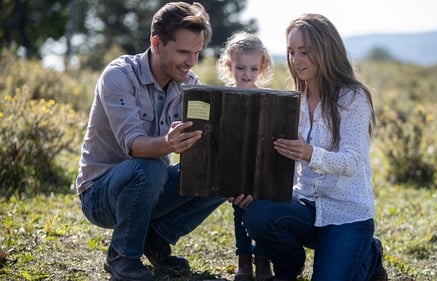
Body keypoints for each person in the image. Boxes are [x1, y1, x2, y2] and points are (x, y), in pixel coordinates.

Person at [74, 2, 227, 281]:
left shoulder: (188, 83)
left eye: (197, 52)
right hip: (99, 195)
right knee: (150, 167)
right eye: (183, 52)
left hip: (149, 188)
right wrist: (169, 144)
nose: (191, 62)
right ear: (156, 43)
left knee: (221, 169)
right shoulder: (119, 76)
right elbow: (134, 146)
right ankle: (122, 257)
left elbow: (207, 143)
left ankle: (155, 239)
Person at [237, 13, 388, 281]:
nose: (296, 60)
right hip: (305, 206)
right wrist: (253, 190)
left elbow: (353, 162)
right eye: (292, 52)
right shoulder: (294, 100)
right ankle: (289, 267)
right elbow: (278, 158)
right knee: (259, 214)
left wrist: (309, 153)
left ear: (325, 50)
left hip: (347, 215)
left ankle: (370, 253)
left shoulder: (353, 97)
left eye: (304, 52)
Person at [216, 31, 274, 281]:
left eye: (253, 68)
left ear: (262, 69)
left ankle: (263, 261)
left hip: (262, 168)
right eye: (240, 67)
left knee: (261, 213)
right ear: (229, 67)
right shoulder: (224, 99)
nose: (246, 74)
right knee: (240, 213)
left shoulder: (269, 99)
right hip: (235, 167)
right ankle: (243, 262)